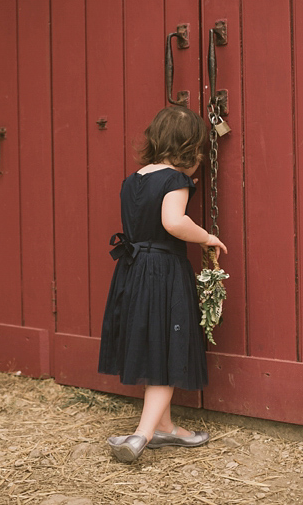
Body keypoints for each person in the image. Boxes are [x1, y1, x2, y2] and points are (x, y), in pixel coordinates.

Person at [97, 105, 228, 463]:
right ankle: (142, 435)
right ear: (190, 148)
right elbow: (173, 222)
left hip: (134, 269)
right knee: (168, 347)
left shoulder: (134, 178)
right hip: (163, 270)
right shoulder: (175, 180)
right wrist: (206, 237)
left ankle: (167, 428)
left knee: (154, 344)